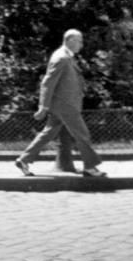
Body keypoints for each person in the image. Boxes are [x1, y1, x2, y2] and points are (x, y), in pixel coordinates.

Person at [15, 29, 107, 177]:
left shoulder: (67, 57)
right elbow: (47, 82)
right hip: (66, 106)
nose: (81, 45)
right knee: (83, 135)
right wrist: (42, 106)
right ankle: (90, 168)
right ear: (70, 40)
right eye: (79, 41)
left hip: (63, 105)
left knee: (48, 133)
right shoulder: (61, 58)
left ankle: (23, 160)